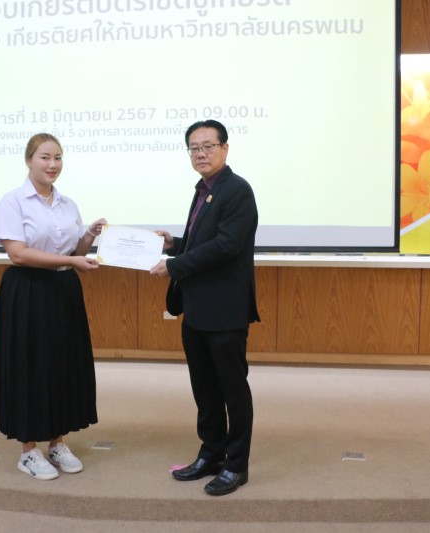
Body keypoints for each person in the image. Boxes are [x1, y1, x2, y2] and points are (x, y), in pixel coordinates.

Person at [149, 119, 260, 496]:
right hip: (197, 309)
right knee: (205, 390)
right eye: (194, 148)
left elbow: (227, 246)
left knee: (232, 389)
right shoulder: (204, 189)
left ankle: (236, 465)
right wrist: (175, 245)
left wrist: (174, 265)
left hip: (225, 310)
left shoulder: (237, 190)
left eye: (208, 146)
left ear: (225, 148)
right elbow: (204, 241)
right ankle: (211, 454)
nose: (201, 153)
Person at [0, 132, 106, 481]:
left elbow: (74, 254)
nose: (52, 164)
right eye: (44, 157)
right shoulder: (13, 202)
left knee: (62, 365)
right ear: (29, 160)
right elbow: (18, 253)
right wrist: (71, 261)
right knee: (29, 367)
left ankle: (57, 442)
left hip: (63, 289)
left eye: (57, 157)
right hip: (27, 290)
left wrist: (89, 236)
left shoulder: (67, 204)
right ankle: (28, 451)